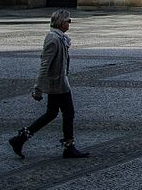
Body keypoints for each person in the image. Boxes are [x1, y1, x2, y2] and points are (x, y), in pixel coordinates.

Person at [9, 10, 88, 159]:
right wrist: (37, 88)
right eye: (68, 21)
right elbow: (44, 65)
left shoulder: (60, 37)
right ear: (60, 22)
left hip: (60, 82)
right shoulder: (53, 39)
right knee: (68, 113)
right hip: (57, 84)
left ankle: (20, 139)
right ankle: (69, 147)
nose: (69, 24)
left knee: (51, 113)